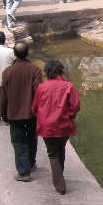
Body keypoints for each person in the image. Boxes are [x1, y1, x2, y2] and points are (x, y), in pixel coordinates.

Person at [31, 60, 80, 194]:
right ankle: (60, 177)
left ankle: (59, 184)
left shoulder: (42, 88)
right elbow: (75, 106)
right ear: (61, 71)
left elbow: (35, 107)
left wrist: (41, 115)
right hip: (64, 125)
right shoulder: (68, 86)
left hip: (47, 126)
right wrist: (69, 115)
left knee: (52, 153)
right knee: (61, 150)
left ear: (47, 72)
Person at [0, 41, 43, 181]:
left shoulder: (7, 72)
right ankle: (30, 163)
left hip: (14, 113)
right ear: (27, 53)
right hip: (32, 113)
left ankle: (24, 172)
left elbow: (3, 96)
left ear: (14, 54)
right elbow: (39, 92)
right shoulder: (35, 70)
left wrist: (3, 114)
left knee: (19, 142)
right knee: (32, 138)